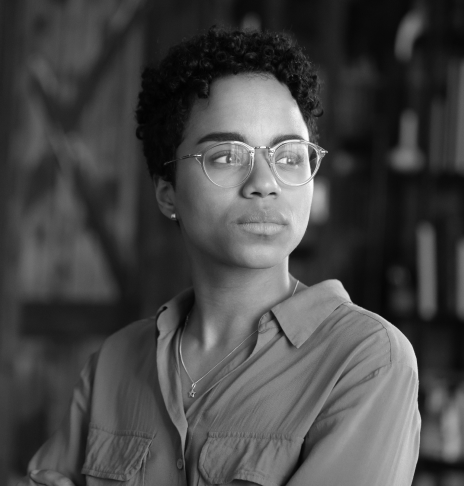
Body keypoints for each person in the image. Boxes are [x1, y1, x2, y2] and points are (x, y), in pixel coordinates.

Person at [18, 26, 420, 486]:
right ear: (167, 193)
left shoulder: (367, 360)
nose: (264, 181)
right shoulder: (115, 362)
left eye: (290, 156)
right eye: (227, 156)